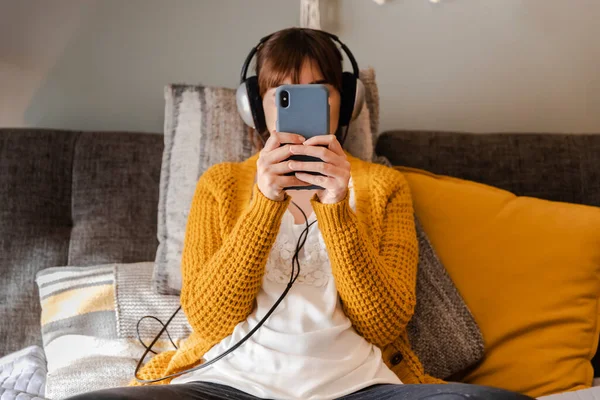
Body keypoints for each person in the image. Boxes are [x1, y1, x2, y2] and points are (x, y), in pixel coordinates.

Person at [65, 28, 533, 400]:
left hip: (359, 386)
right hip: (230, 384)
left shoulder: (383, 187)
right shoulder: (222, 185)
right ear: (257, 109)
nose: (301, 103)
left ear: (343, 101)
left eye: (318, 91)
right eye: (282, 94)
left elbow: (385, 324)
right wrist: (265, 202)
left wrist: (336, 209)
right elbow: (207, 320)